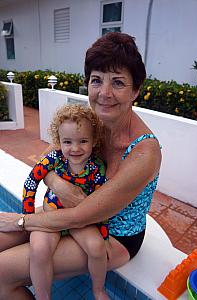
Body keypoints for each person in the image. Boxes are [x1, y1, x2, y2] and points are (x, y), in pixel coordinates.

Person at [0, 31, 162, 300]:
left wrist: (20, 221)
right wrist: (58, 184)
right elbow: (45, 161)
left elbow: (82, 215)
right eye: (96, 80)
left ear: (136, 90)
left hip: (113, 235)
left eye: (118, 82)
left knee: (2, 271)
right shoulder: (92, 125)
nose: (105, 93)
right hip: (71, 213)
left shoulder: (145, 152)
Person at [22, 104, 109, 300]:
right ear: (58, 141)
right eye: (67, 142)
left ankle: (98, 290)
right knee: (39, 249)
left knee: (97, 248)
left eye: (83, 141)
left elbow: (99, 198)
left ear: (94, 140)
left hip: (79, 220)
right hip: (51, 216)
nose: (75, 148)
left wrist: (102, 228)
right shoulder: (53, 159)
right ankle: (43, 297)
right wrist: (27, 213)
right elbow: (31, 181)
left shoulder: (97, 168)